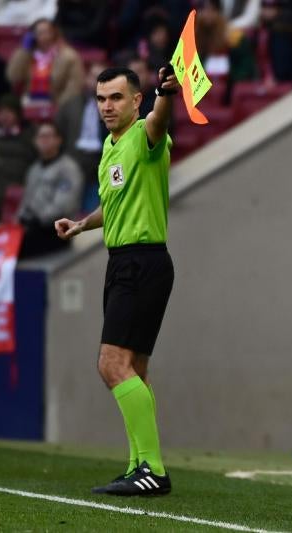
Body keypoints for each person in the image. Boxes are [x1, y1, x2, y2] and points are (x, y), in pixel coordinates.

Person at [53, 65, 178, 495]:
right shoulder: (111, 146)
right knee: (135, 370)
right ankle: (138, 465)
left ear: (136, 101)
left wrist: (167, 94)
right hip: (125, 262)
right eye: (102, 98)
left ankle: (154, 471)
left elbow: (160, 122)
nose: (108, 106)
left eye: (117, 97)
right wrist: (81, 224)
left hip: (142, 263)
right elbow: (114, 205)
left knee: (111, 365)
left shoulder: (146, 134)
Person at [17, 121, 84, 258]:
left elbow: (64, 205)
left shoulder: (68, 168)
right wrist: (21, 219)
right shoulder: (33, 169)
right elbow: (25, 202)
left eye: (48, 136)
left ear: (58, 140)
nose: (44, 140)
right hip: (31, 228)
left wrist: (37, 219)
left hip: (57, 231)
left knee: (19, 249)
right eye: (40, 137)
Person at [55, 61, 107, 211]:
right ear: (86, 79)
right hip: (71, 165)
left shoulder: (115, 108)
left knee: (93, 213)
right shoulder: (70, 105)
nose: (97, 82)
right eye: (93, 77)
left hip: (100, 169)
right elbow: (58, 133)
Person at [6, 18, 84, 106]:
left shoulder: (69, 56)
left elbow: (73, 88)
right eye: (40, 33)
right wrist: (24, 50)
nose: (44, 37)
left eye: (47, 32)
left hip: (57, 103)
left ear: (54, 33)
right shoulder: (27, 54)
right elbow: (13, 77)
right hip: (29, 102)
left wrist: (60, 107)